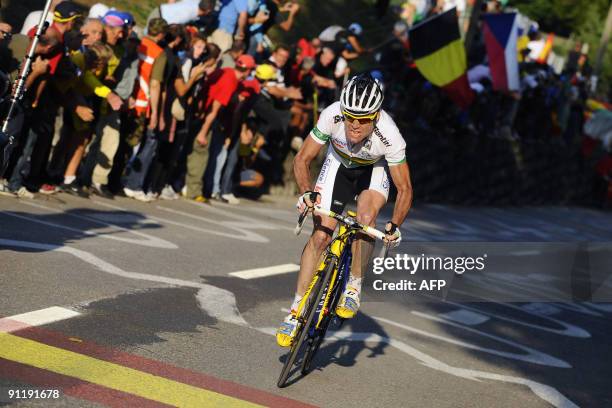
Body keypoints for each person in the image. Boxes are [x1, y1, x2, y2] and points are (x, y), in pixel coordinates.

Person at [276, 73, 413, 347]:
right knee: (321, 235)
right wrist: (306, 192)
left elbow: (405, 188)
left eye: (363, 119)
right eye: (350, 116)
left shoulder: (390, 134)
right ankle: (295, 310)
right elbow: (303, 158)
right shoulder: (331, 115)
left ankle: (353, 284)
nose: (354, 124)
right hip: (338, 166)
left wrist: (395, 225)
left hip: (372, 171)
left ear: (375, 116)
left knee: (365, 220)